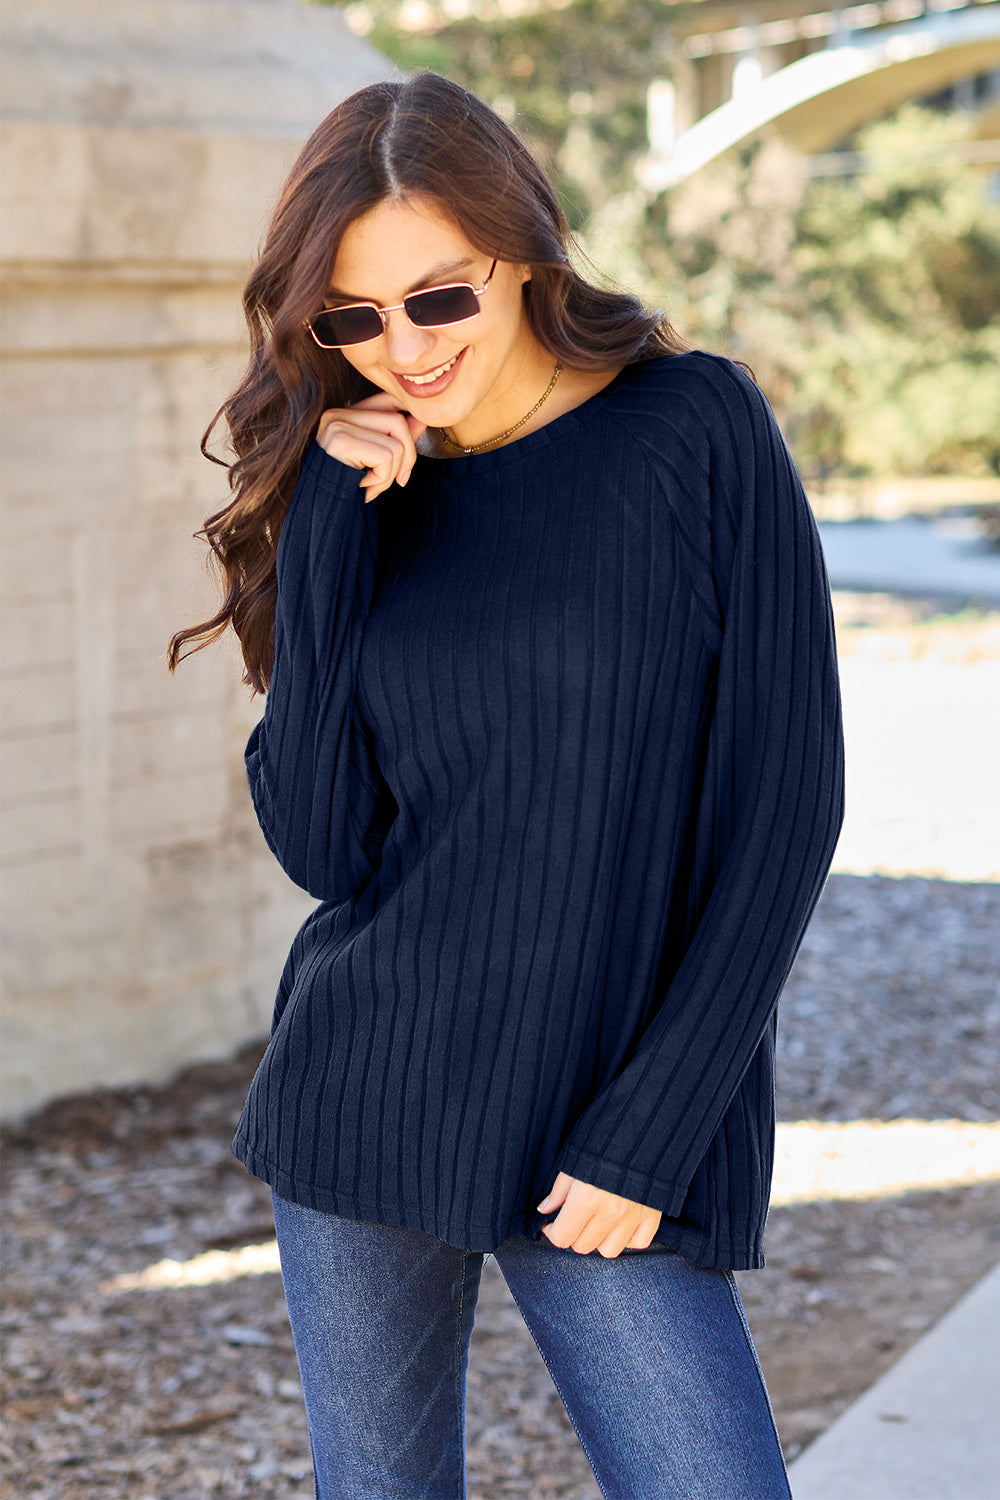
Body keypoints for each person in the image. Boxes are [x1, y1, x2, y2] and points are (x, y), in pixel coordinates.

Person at [168, 69, 844, 1500]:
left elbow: (785, 809)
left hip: (606, 1123)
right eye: (349, 320)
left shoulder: (695, 431)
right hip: (370, 1093)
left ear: (524, 250)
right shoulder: (359, 499)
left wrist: (654, 1129)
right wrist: (328, 548)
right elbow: (329, 850)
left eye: (437, 298)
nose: (399, 350)